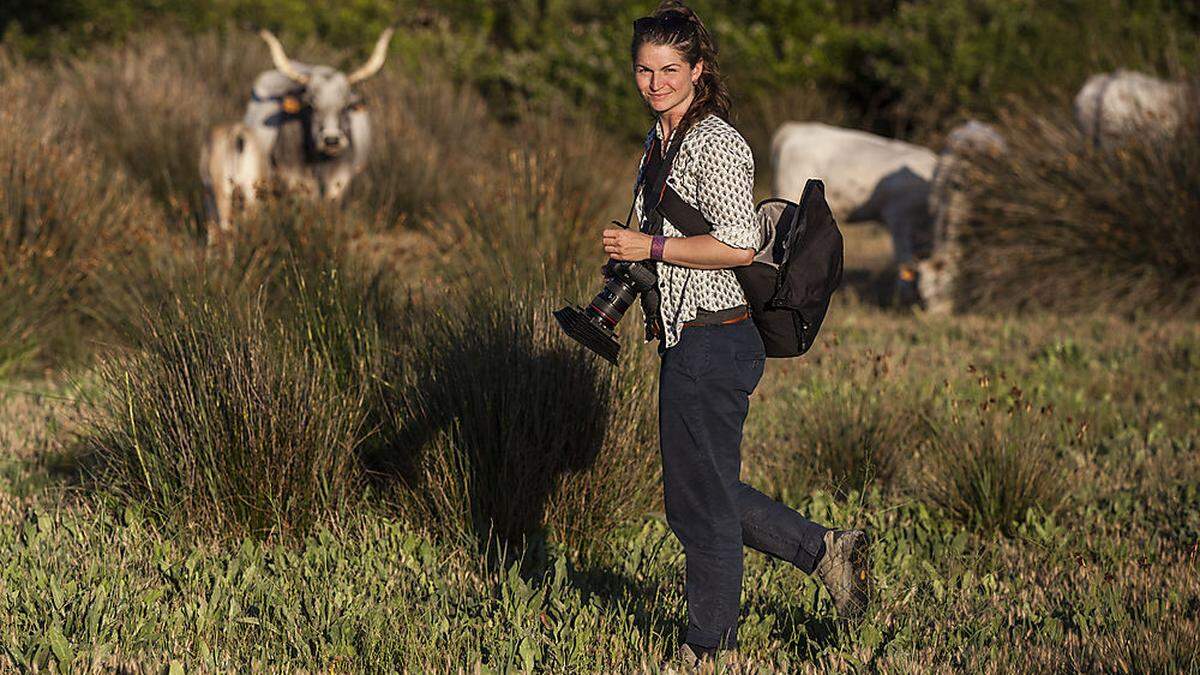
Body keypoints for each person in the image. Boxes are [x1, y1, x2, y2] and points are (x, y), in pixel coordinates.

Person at [600, 2, 872, 666]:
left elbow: (739, 246)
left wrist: (653, 245)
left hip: (716, 337)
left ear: (697, 69)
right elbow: (662, 232)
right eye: (644, 69)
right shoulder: (659, 138)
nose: (656, 83)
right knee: (702, 491)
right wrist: (629, 262)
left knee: (700, 510)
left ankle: (705, 646)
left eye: (670, 69)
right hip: (687, 336)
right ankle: (825, 550)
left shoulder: (717, 142)